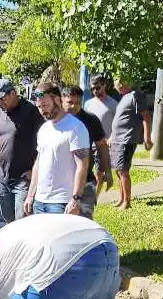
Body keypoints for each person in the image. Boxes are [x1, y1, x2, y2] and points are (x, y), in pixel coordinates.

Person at [24, 82, 90, 215]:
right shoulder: (44, 128)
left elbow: (82, 166)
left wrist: (76, 198)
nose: (42, 110)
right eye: (39, 107)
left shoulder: (75, 127)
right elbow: (39, 162)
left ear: (57, 100)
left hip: (62, 202)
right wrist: (31, 195)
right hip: (39, 201)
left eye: (45, 105)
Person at [0, 77, 43, 222]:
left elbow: (45, 142)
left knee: (22, 221)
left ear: (13, 93)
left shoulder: (31, 111)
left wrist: (35, 170)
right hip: (3, 178)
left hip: (24, 179)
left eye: (2, 99)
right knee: (8, 220)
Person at [60, 84, 113, 218]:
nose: (74, 107)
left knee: (84, 222)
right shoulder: (55, 121)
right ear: (61, 100)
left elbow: (102, 145)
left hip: (86, 181)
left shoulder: (90, 119)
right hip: (61, 182)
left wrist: (107, 171)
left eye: (77, 103)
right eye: (70, 102)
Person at [110, 78, 153, 210]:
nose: (116, 86)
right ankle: (121, 198)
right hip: (117, 139)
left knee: (123, 170)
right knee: (118, 170)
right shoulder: (124, 97)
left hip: (127, 139)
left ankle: (127, 202)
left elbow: (145, 116)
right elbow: (121, 118)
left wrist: (147, 138)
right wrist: (112, 136)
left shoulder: (136, 95)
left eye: (118, 83)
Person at [84, 74, 119, 196]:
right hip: (88, 143)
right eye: (92, 89)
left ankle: (95, 198)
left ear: (104, 85)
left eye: (98, 88)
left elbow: (118, 124)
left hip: (103, 143)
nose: (95, 91)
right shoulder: (88, 104)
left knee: (99, 172)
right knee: (85, 170)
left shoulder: (113, 104)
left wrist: (112, 136)